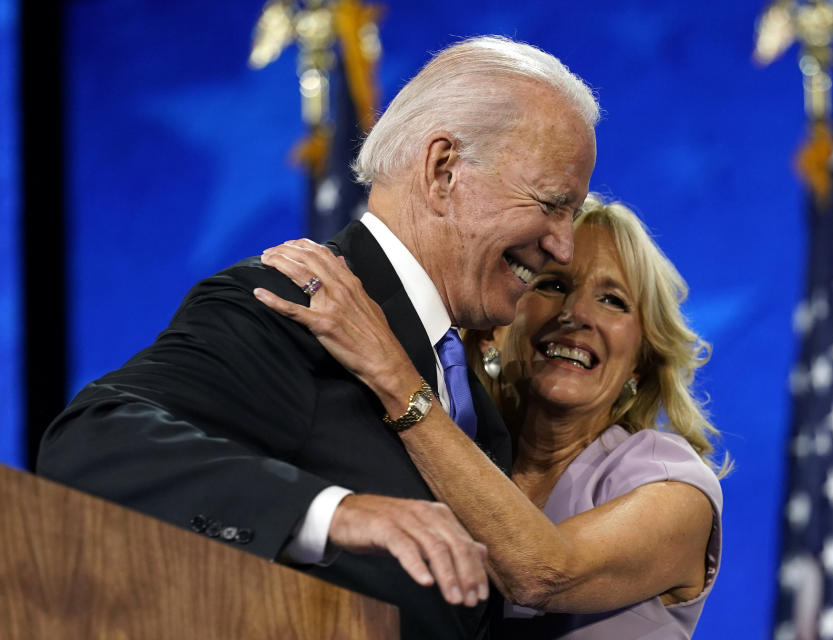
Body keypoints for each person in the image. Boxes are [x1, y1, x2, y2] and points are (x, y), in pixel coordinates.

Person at [36, 35, 598, 639]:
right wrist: (334, 512)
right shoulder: (297, 302)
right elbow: (93, 441)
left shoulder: (468, 392)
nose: (563, 247)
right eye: (551, 203)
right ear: (443, 171)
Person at [257, 194, 728, 638]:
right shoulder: (450, 449)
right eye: (553, 285)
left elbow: (544, 574)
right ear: (493, 336)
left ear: (641, 362)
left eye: (613, 301)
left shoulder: (673, 486)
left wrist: (391, 374)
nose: (576, 313)